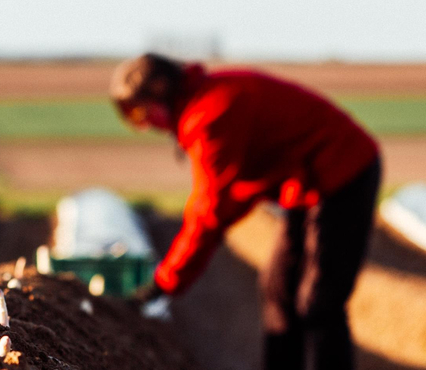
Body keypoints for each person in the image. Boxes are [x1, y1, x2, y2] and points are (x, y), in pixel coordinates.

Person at [114, 54, 380, 370]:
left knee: (319, 302)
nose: (144, 126)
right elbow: (234, 195)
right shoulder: (203, 102)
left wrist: (164, 282)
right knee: (278, 288)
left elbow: (211, 209)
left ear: (160, 91)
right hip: (302, 184)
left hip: (343, 173)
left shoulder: (211, 113)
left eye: (141, 114)